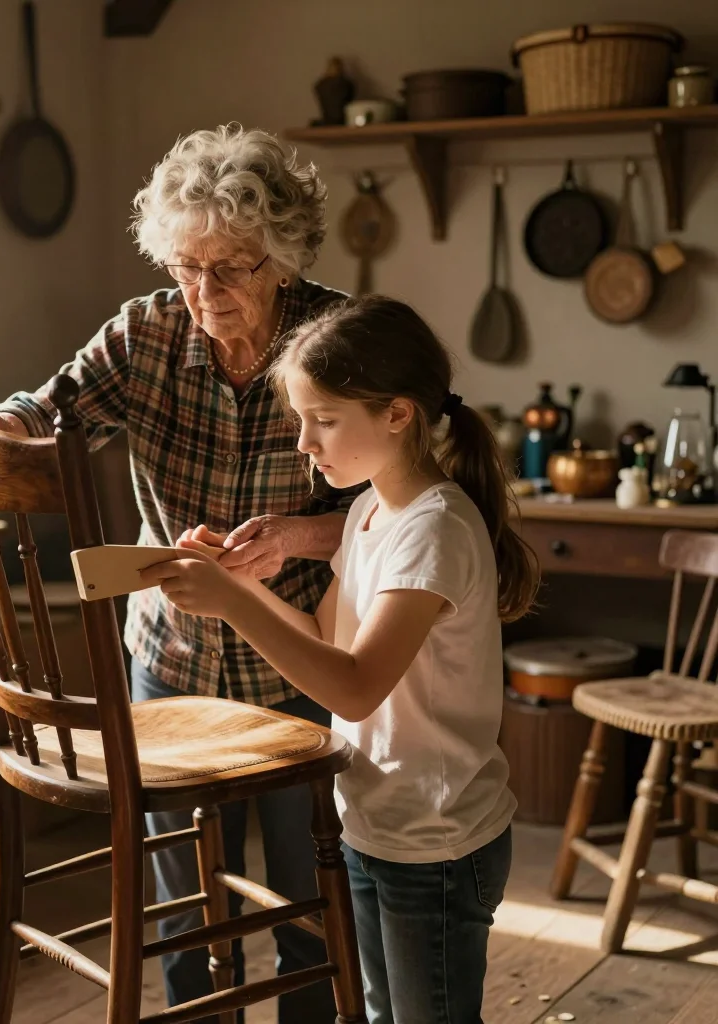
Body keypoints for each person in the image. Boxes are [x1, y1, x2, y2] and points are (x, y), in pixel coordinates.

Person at [0, 124, 362, 1022]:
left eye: (231, 268)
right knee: (183, 904)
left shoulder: (340, 340)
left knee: (305, 896)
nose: (205, 293)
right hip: (172, 660)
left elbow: (399, 501)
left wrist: (293, 539)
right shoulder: (147, 334)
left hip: (298, 659)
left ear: (281, 257)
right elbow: (41, 415)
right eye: (187, 267)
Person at [142, 294, 541, 1023]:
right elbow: (328, 640)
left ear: (397, 414)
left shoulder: (435, 530)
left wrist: (230, 604)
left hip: (440, 842)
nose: (305, 443)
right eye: (301, 419)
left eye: (323, 420)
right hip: (371, 822)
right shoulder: (367, 512)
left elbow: (354, 689)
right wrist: (237, 583)